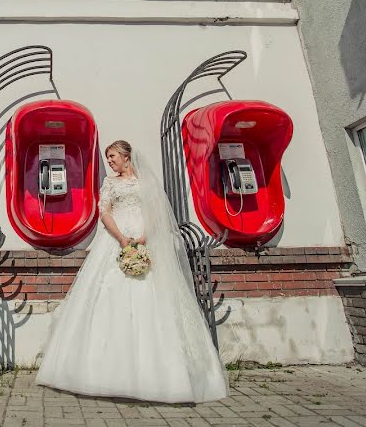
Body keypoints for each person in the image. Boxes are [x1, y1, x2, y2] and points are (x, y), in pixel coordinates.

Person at [35, 140, 228, 403]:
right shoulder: (110, 184)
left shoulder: (146, 182)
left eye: (113, 156)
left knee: (153, 300)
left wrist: (145, 236)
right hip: (117, 239)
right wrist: (122, 238)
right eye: (108, 157)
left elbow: (158, 212)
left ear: (127, 156)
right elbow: (104, 212)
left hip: (145, 237)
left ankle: (162, 376)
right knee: (107, 296)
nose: (110, 161)